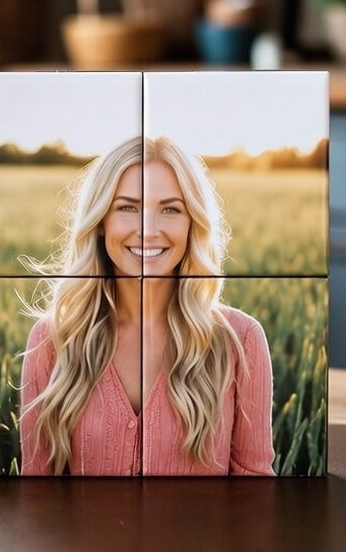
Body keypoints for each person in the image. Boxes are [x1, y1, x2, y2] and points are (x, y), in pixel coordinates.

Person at [20, 136, 275, 476]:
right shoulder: (52, 340)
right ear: (100, 223)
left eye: (170, 209)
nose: (148, 230)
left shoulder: (241, 341)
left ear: (191, 225)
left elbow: (256, 495)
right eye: (127, 207)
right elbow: (36, 496)